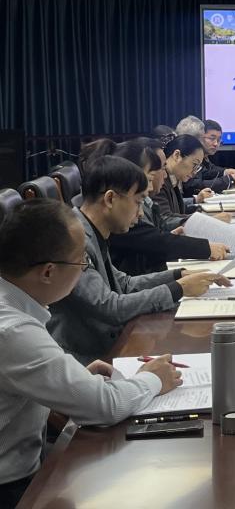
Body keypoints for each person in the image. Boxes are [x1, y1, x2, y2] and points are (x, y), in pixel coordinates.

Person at [0, 200, 182, 508]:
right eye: (81, 263)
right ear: (48, 272)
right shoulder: (14, 331)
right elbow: (105, 405)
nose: (84, 269)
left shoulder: (14, 303)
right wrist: (152, 379)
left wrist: (71, 380)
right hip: (11, 487)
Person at [47, 156, 230, 364]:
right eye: (138, 202)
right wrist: (178, 289)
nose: (141, 213)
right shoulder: (74, 238)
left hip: (110, 344)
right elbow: (110, 308)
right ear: (110, 199)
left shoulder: (91, 229)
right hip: (86, 360)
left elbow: (124, 284)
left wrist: (178, 275)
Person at [106, 139, 229, 276]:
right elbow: (154, 240)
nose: (164, 175)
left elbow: (150, 245)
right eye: (152, 175)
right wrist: (204, 247)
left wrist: (179, 276)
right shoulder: (120, 215)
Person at [152, 134, 225, 229]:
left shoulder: (174, 177)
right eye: (194, 164)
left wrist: (199, 208)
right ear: (177, 155)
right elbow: (165, 220)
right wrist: (206, 220)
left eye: (198, 167)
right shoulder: (159, 180)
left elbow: (176, 209)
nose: (195, 172)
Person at [184, 119, 235, 195]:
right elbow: (193, 185)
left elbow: (207, 171)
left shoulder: (204, 157)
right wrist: (230, 180)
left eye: (219, 140)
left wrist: (226, 172)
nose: (216, 144)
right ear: (199, 138)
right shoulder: (190, 156)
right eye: (212, 138)